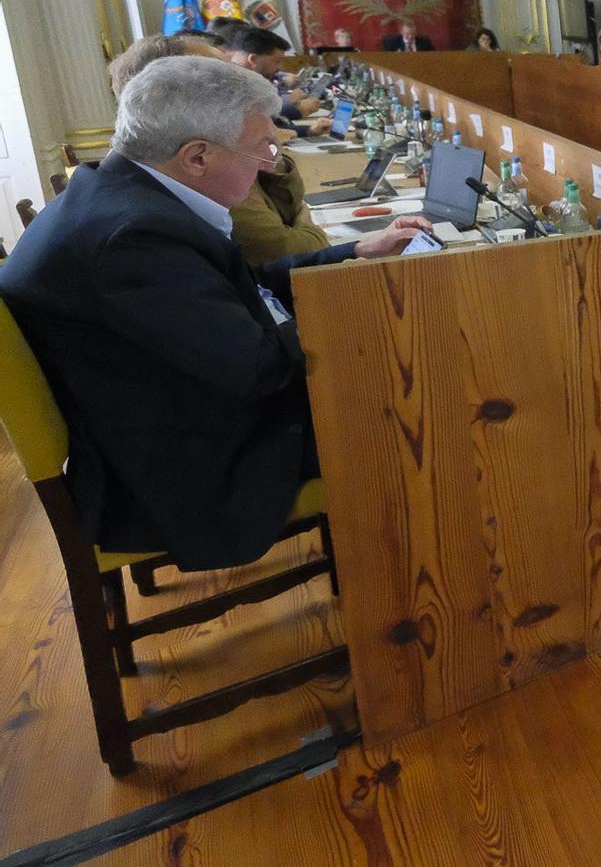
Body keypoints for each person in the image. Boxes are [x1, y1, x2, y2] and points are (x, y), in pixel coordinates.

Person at [0, 57, 430, 570]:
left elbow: (241, 291)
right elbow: (259, 367)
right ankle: (412, 590)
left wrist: (353, 257)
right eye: (262, 148)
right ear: (197, 156)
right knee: (422, 401)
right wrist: (372, 308)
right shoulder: (132, 239)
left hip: (174, 410)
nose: (269, 163)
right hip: (191, 469)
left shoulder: (121, 192)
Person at [108, 37, 335, 266]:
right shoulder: (201, 180)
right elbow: (284, 250)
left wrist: (265, 140)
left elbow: (285, 205)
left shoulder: (192, 161)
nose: (238, 80)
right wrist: (307, 220)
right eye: (217, 76)